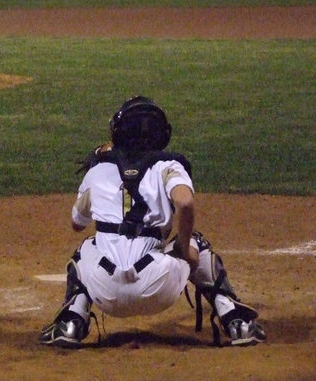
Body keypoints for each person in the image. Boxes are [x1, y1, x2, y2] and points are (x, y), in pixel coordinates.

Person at [39, 96, 266, 348]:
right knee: (195, 243)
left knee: (85, 250)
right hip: (159, 287)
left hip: (106, 292)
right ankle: (237, 322)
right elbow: (185, 203)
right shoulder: (168, 166)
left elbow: (76, 224)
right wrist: (182, 245)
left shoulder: (97, 171)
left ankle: (70, 324)